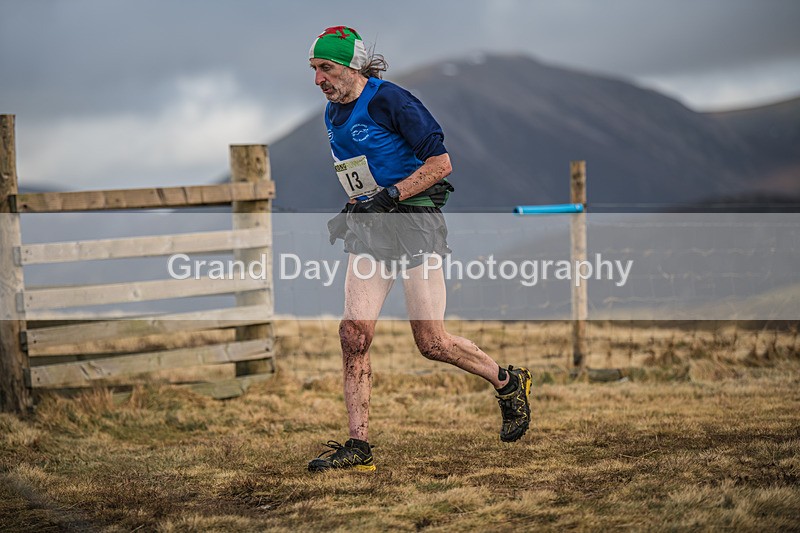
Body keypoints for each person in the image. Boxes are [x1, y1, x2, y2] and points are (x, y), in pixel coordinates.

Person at [306, 26, 532, 473]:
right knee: (353, 335)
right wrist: (352, 207)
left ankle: (507, 382)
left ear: (352, 66)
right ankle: (359, 447)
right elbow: (362, 175)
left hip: (415, 222)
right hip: (372, 231)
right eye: (313, 70)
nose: (318, 79)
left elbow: (441, 164)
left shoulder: (392, 101)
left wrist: (392, 196)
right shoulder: (333, 113)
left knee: (431, 342)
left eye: (325, 68)